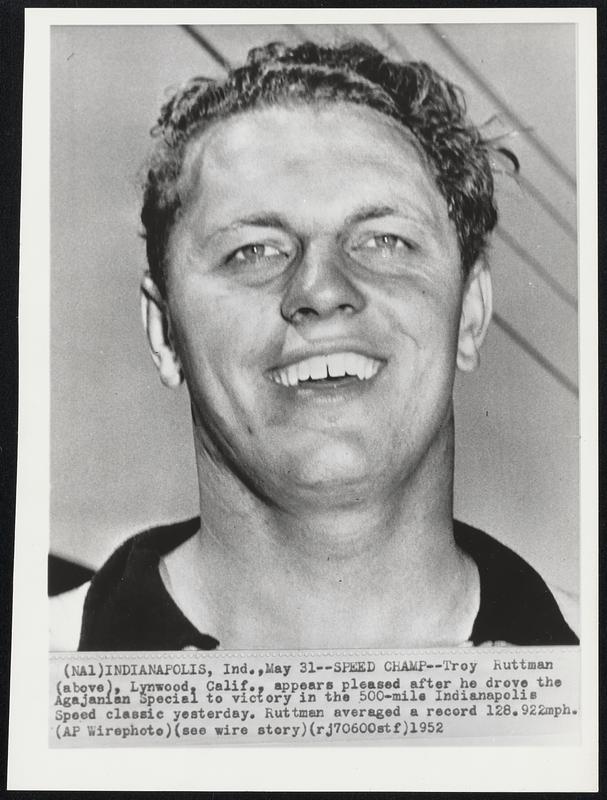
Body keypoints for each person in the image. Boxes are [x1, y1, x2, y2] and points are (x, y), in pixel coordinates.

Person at [50, 40, 578, 651]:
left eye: (384, 241)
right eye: (253, 250)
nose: (321, 290)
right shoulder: (32, 676)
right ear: (164, 331)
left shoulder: (588, 679)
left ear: (471, 313)